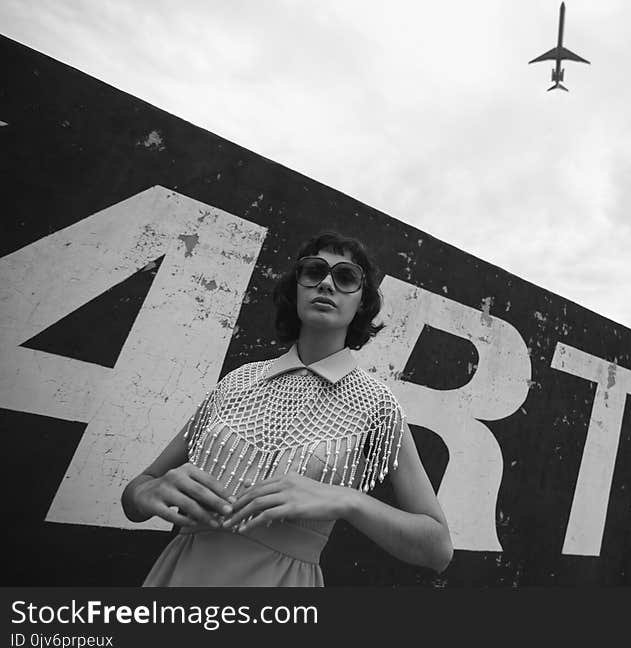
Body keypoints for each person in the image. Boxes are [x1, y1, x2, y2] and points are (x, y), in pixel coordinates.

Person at [121, 231, 453, 586]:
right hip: (181, 573)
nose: (326, 283)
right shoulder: (237, 382)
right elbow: (137, 492)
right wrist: (146, 493)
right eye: (313, 272)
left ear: (362, 302)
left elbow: (438, 550)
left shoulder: (377, 406)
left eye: (345, 278)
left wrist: (347, 501)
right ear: (296, 287)